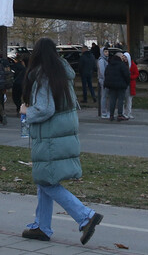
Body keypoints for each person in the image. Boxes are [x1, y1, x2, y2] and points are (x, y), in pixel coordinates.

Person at [20, 38, 104, 244]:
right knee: (45, 180)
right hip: (60, 135)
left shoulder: (42, 76)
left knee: (46, 182)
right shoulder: (62, 75)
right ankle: (41, 226)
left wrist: (26, 111)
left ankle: (85, 216)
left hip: (50, 137)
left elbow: (45, 109)